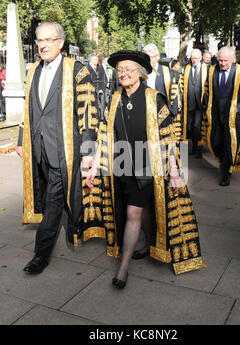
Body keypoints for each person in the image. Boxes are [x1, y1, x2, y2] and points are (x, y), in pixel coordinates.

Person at [84, 50, 204, 289]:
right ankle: (151, 244)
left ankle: (123, 268)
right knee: (145, 208)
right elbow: (103, 135)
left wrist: (175, 172)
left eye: (129, 69)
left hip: (148, 165)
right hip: (122, 165)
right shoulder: (115, 98)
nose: (124, 73)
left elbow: (169, 138)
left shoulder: (154, 98)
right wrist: (94, 166)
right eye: (120, 70)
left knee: (133, 213)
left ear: (140, 73)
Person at [16, 22, 98, 274]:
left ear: (60, 43)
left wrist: (87, 150)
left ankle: (41, 254)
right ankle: (73, 222)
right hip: (38, 147)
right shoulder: (33, 71)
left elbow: (88, 111)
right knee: (51, 196)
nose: (42, 45)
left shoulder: (77, 71)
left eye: (48, 40)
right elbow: (28, 108)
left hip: (64, 149)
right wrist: (21, 140)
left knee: (53, 199)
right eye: (39, 40)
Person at [201, 46, 240, 186]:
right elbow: (206, 89)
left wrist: (238, 109)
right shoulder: (212, 70)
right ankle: (223, 163)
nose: (222, 63)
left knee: (228, 145)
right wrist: (207, 105)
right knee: (216, 142)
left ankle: (226, 173)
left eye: (225, 61)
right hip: (215, 115)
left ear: (232, 59)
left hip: (232, 117)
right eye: (220, 60)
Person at [179, 49, 208, 158]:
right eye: (192, 58)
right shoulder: (186, 69)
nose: (194, 60)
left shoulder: (206, 69)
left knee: (197, 126)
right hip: (189, 103)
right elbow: (181, 85)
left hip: (200, 104)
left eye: (196, 58)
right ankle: (194, 146)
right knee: (190, 127)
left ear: (201, 58)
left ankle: (199, 149)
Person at [143, 43, 180, 117]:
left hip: (163, 111)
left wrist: (173, 112)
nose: (149, 60)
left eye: (151, 57)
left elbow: (174, 93)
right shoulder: (142, 72)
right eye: (147, 57)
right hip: (145, 110)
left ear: (158, 57)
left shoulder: (167, 72)